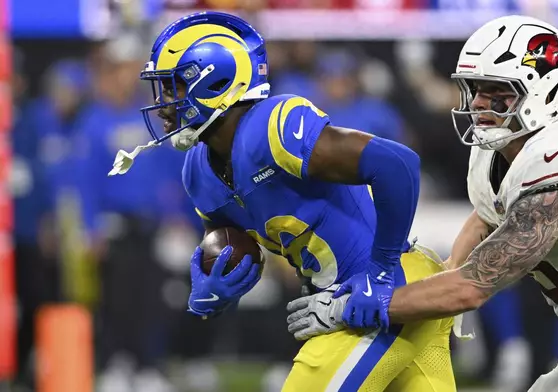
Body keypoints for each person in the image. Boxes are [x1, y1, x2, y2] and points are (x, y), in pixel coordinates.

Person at [286, 15, 558, 392]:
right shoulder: (501, 152)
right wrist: (443, 271)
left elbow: (471, 288)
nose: (479, 104)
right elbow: (486, 218)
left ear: (544, 92)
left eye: (497, 92)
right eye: (475, 89)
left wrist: (353, 308)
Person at [109, 11, 456, 392]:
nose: (162, 105)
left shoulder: (272, 127)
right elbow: (236, 250)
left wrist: (381, 273)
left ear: (214, 82)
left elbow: (399, 165)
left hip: (382, 290)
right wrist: (219, 286)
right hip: (348, 301)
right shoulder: (198, 171)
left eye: (173, 87)